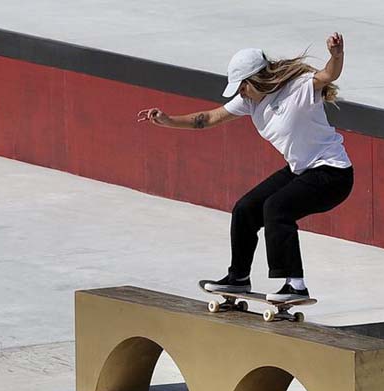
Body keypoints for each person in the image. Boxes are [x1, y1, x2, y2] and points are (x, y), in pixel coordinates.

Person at [137, 33, 354, 302]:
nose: (240, 93)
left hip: (332, 173)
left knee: (276, 207)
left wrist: (337, 55)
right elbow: (208, 119)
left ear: (257, 79)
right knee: (246, 208)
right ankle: (238, 278)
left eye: (242, 86)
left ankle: (295, 285)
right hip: (301, 170)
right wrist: (169, 121)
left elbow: (328, 75)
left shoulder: (299, 87)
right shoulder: (250, 100)